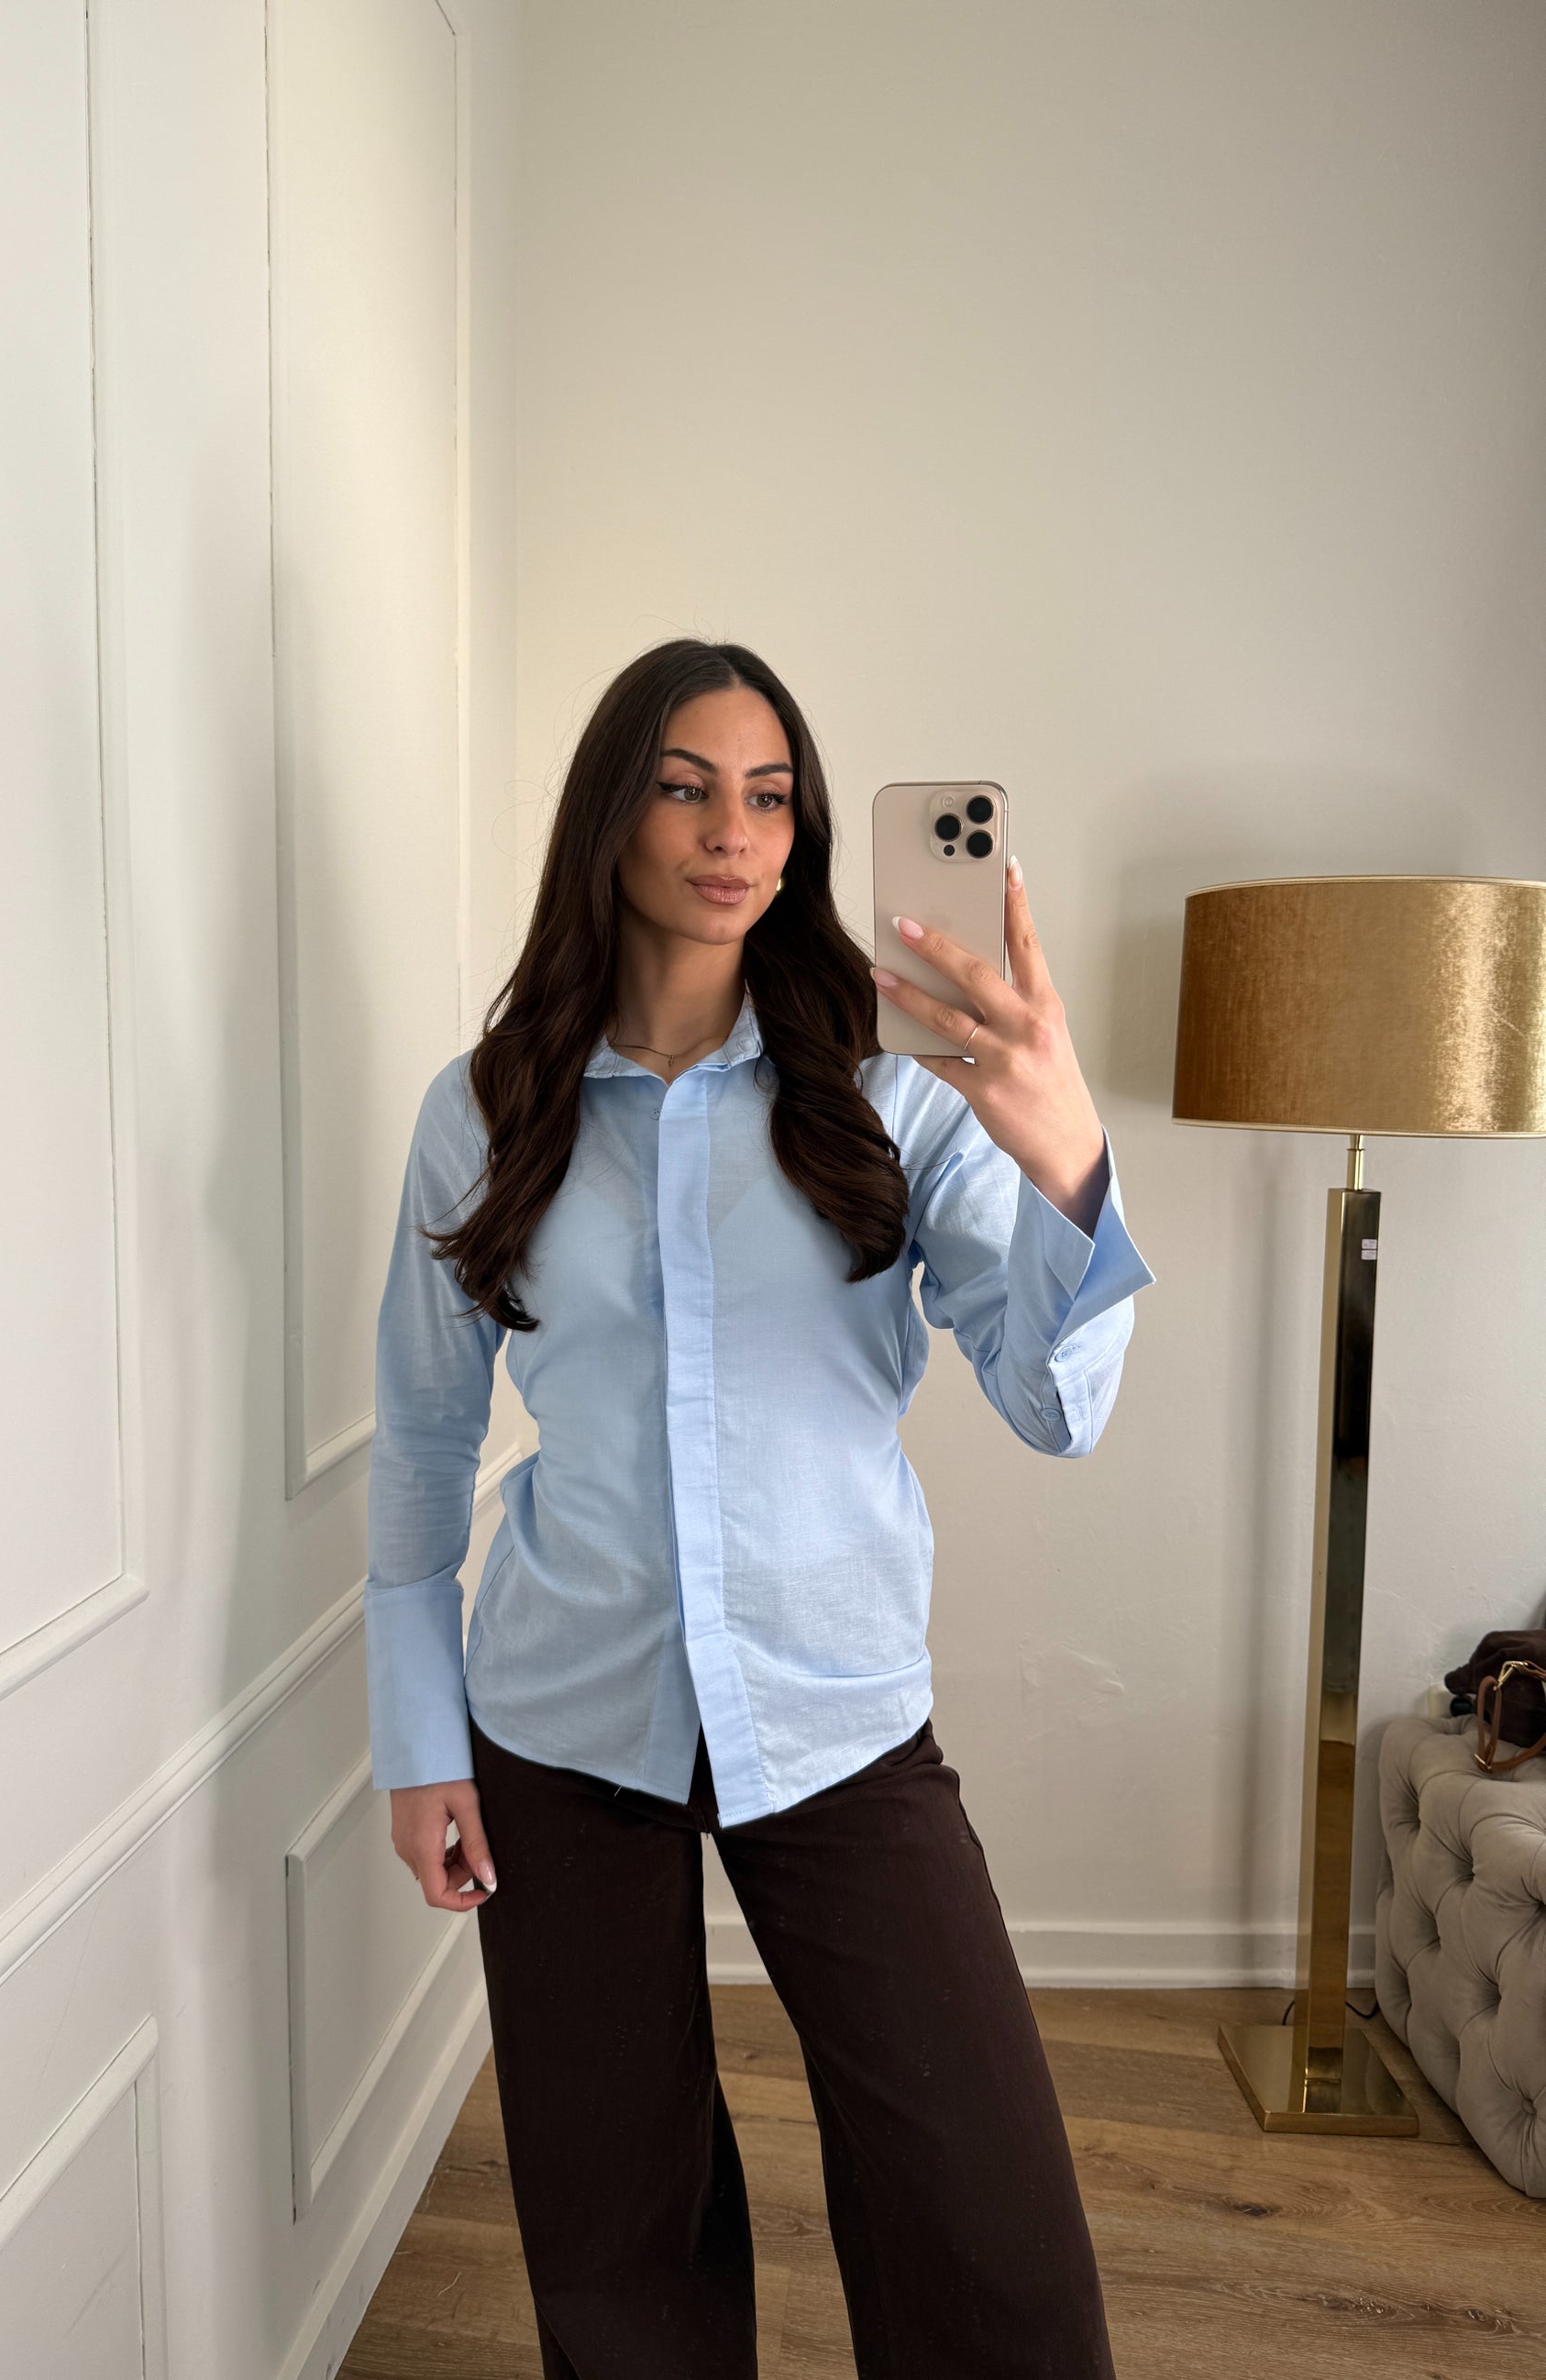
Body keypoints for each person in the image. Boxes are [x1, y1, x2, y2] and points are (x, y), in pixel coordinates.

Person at [364, 638, 1154, 2379]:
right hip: (562, 1720)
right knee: (612, 2237)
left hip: (837, 1713)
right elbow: (421, 1440)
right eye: (685, 787)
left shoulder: (891, 1085)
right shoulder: (484, 1109)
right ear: (610, 814)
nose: (735, 833)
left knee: (988, 2234)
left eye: (772, 796)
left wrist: (1063, 1160)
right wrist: (420, 1741)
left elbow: (1055, 1407)